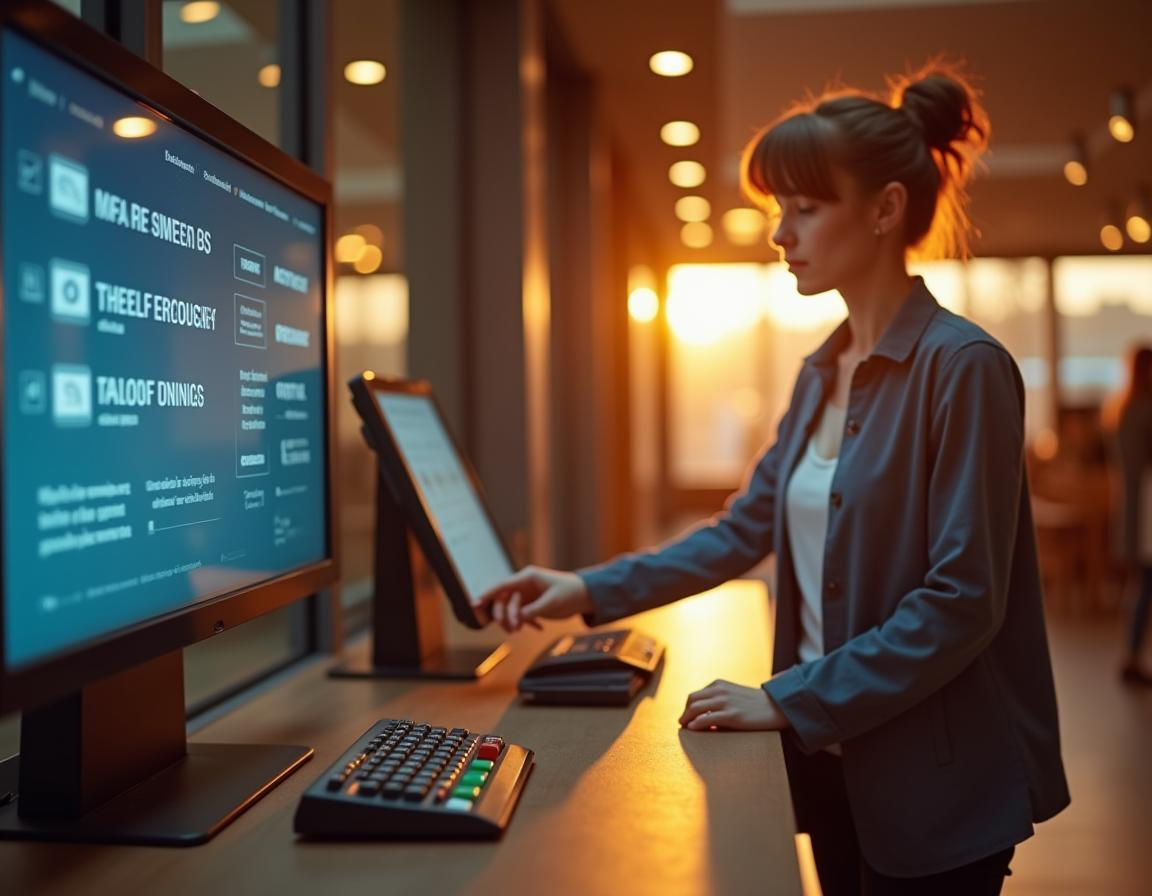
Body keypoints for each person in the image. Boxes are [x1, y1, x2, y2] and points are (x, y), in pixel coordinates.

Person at [479, 64, 1070, 895]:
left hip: (934, 782)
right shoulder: (821, 370)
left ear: (885, 210)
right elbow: (742, 530)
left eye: (804, 208)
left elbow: (963, 599)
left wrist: (789, 698)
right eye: (776, 211)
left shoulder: (963, 367)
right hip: (832, 766)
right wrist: (579, 585)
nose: (779, 234)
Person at [1102, 344, 1152, 685]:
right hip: (1147, 505)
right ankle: (1132, 655)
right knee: (1145, 583)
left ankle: (1131, 654)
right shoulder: (1145, 410)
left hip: (1134, 505)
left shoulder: (1119, 409)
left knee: (1141, 583)